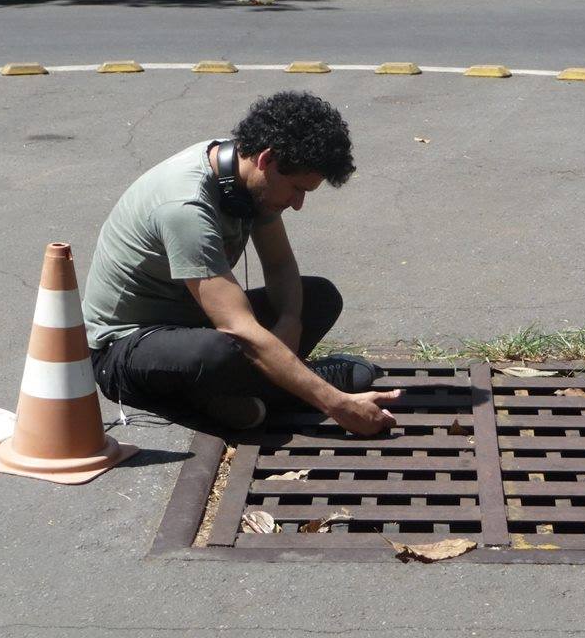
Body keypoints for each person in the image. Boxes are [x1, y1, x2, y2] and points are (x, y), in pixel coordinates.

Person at [82, 91, 399, 435]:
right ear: (267, 160)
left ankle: (232, 398)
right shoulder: (185, 206)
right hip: (127, 350)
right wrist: (336, 404)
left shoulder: (242, 178)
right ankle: (296, 384)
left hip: (198, 322)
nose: (298, 204)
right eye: (296, 189)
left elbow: (279, 266)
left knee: (320, 297)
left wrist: (291, 320)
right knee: (220, 351)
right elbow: (238, 328)